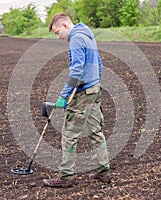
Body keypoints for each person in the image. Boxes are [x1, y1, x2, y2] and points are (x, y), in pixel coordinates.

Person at [43, 13, 110, 188]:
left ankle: (66, 177)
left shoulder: (76, 39)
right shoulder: (87, 34)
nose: (59, 37)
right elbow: (99, 64)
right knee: (95, 131)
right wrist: (95, 83)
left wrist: (64, 95)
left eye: (58, 32)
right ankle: (104, 172)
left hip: (84, 94)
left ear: (65, 26)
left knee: (69, 135)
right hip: (94, 89)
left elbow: (76, 70)